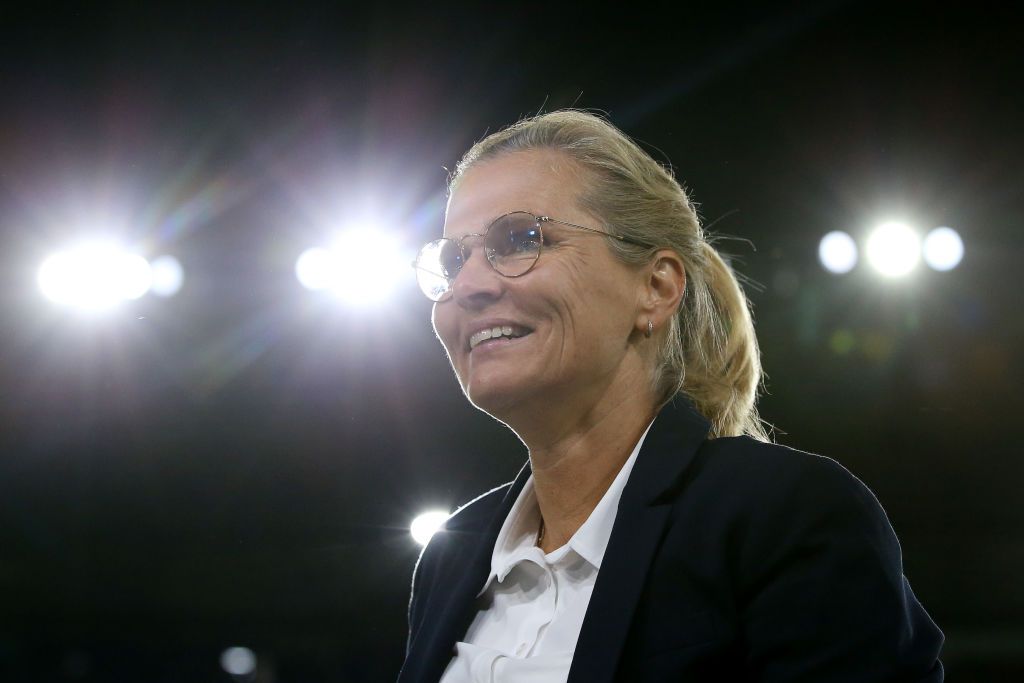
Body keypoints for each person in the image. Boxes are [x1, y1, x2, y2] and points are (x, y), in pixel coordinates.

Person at [399, 110, 943, 682]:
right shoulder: (451, 557)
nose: (469, 287)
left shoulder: (785, 515)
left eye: (520, 240)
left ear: (656, 287)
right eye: (453, 260)